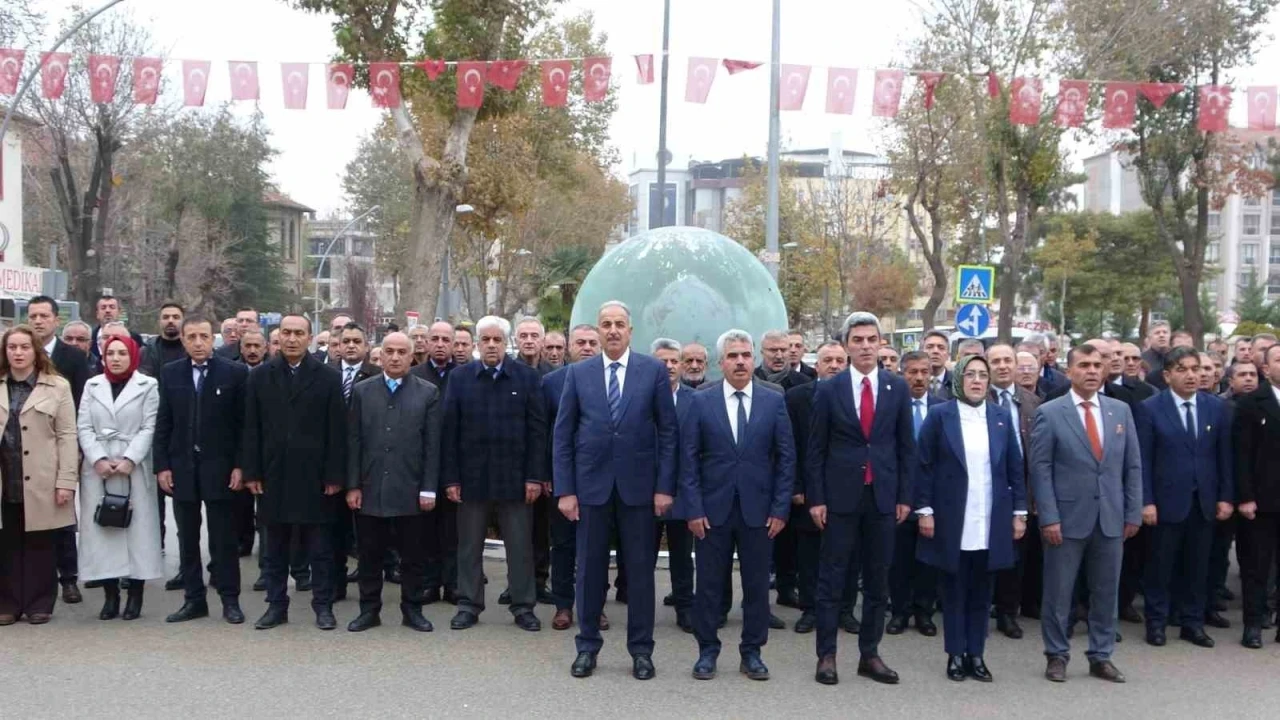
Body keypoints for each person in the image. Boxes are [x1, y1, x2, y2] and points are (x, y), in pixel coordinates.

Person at [554, 300, 678, 681]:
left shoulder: (652, 371)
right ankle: (587, 647)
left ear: (630, 331)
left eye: (619, 324)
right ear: (598, 330)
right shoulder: (579, 374)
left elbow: (668, 433)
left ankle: (641, 651)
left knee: (639, 574)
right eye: (605, 324)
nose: (612, 330)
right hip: (590, 489)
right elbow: (563, 434)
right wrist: (566, 490)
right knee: (589, 573)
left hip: (639, 490)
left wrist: (664, 487)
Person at [681, 329, 794, 682]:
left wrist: (780, 509)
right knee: (708, 586)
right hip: (711, 512)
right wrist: (694, 509)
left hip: (759, 512)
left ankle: (752, 653)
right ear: (721, 362)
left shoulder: (773, 400)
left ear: (754, 359)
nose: (741, 361)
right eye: (733, 356)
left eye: (746, 355)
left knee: (757, 587)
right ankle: (707, 652)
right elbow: (689, 459)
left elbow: (786, 459)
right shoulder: (701, 400)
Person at [808, 312, 914, 686]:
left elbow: (906, 447)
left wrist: (904, 496)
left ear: (881, 343)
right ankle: (827, 655)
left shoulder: (896, 388)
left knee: (877, 581)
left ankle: (870, 654)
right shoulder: (829, 389)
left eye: (872, 339)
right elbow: (816, 449)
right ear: (847, 345)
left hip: (882, 497)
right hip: (839, 498)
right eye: (858, 340)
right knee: (832, 579)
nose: (866, 346)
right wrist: (817, 498)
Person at [1030, 343, 1142, 683]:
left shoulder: (1120, 411)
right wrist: (1049, 516)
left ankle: (1101, 655)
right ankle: (1056, 654)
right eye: (1083, 365)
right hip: (1065, 519)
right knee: (1058, 592)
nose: (1092, 370)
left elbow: (1132, 465)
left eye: (1096, 365)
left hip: (1110, 517)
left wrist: (1132, 511)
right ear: (1069, 371)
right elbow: (1040, 469)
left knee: (1106, 592)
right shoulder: (1050, 413)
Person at [916, 354, 1027, 682]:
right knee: (954, 590)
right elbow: (923, 466)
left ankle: (976, 654)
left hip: (991, 517)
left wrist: (1019, 512)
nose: (977, 381)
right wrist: (925, 510)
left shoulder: (1000, 416)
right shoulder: (940, 415)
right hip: (952, 517)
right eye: (971, 375)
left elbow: (1015, 468)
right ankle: (955, 653)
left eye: (983, 375)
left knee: (982, 590)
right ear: (959, 379)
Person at [242, 315, 347, 631]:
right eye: (286, 333)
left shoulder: (328, 377)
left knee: (320, 549)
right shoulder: (260, 376)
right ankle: (276, 606)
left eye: (298, 333)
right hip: (273, 474)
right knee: (274, 549)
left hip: (315, 477)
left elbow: (337, 431)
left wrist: (335, 475)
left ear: (310, 338)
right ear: (277, 337)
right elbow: (251, 428)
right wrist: (252, 472)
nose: (291, 339)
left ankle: (323, 606)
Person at [442, 316, 546, 632]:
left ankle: (523, 606)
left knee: (520, 547)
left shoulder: (527, 378)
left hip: (515, 480)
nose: (491, 345)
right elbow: (449, 432)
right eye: (485, 340)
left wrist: (534, 477)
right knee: (469, 547)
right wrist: (451, 478)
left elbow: (537, 432)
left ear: (506, 343)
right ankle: (468, 605)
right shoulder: (460, 378)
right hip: (471, 480)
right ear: (477, 343)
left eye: (497, 340)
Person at [153, 318, 249, 625]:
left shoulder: (234, 373)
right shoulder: (171, 373)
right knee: (187, 538)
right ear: (182, 340)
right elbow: (164, 422)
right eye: (191, 336)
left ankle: (230, 600)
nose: (197, 342)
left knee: (223, 539)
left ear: (213, 339)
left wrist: (240, 465)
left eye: (203, 336)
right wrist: (162, 465)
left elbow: (243, 425)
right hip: (182, 467)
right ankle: (193, 600)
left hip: (221, 468)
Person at [1136, 347, 1234, 649]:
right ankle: (1156, 623)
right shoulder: (1150, 408)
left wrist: (1225, 497)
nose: (1192, 375)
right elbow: (1143, 460)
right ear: (1167, 376)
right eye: (1183, 369)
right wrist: (1146, 501)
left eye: (1196, 368)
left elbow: (1224, 457)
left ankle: (1193, 624)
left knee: (1198, 567)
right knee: (1160, 566)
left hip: (1204, 501)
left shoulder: (1215, 407)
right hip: (1165, 502)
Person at [345, 332, 439, 633]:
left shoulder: (427, 392)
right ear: (380, 355)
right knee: (369, 556)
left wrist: (428, 488)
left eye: (402, 352)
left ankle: (412, 610)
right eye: (389, 351)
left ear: (412, 356)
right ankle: (368, 611)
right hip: (370, 488)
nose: (395, 357)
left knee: (413, 557)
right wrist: (353, 485)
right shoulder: (362, 391)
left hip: (410, 489)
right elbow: (354, 441)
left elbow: (432, 445)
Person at [76, 335, 162, 621]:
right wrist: (98, 458)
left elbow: (150, 426)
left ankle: (135, 593)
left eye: (122, 353)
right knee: (103, 531)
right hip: (98, 469)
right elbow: (84, 426)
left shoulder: (148, 385)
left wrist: (130, 458)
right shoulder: (92, 385)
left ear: (133, 356)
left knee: (138, 531)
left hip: (134, 466)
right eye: (110, 353)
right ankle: (110, 594)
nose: (115, 358)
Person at [0, 326, 78, 625]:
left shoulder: (57, 386)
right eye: (12, 347)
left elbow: (67, 436)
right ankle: (7, 603)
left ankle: (39, 603)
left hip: (42, 476)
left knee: (40, 543)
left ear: (36, 351)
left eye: (24, 347)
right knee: (6, 541)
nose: (18, 353)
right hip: (6, 475)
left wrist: (66, 481)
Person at [26, 296, 90, 605]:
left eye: (44, 316)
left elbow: (81, 403)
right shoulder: (18, 352)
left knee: (62, 512)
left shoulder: (73, 357)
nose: (38, 321)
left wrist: (76, 451)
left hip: (61, 444)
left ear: (55, 320)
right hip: (26, 448)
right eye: (33, 316)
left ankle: (68, 578)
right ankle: (34, 579)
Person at [545, 324, 608, 632]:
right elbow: (546, 435)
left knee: (597, 547)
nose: (586, 348)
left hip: (602, 480)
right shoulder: (551, 383)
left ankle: (595, 608)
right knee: (563, 545)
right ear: (569, 347)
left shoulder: (612, 381)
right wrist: (549, 477)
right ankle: (563, 605)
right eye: (580, 342)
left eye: (592, 343)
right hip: (564, 479)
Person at [785, 341, 850, 635]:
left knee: (847, 553)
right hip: (809, 489)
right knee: (809, 554)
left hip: (848, 489)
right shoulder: (797, 397)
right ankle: (810, 609)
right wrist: (797, 485)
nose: (834, 365)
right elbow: (790, 445)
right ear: (817, 365)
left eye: (839, 360)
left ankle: (844, 610)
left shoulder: (858, 395)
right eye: (828, 360)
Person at [987, 343, 1042, 638]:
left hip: (1022, 486)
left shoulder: (1033, 402)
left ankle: (1008, 612)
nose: (1003, 366)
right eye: (995, 361)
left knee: (1016, 553)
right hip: (987, 485)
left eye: (1007, 360)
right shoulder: (975, 397)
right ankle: (981, 607)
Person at [886, 351, 941, 638]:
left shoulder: (942, 408)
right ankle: (899, 611)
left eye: (924, 372)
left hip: (933, 496)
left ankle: (924, 612)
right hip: (899, 495)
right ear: (902, 373)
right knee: (899, 559)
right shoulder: (891, 406)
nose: (919, 378)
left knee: (928, 559)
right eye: (912, 372)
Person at [1232, 344, 1280, 648]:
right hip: (1262, 500)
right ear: (1266, 368)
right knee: (1256, 567)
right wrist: (1245, 496)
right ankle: (1253, 625)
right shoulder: (1251, 403)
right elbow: (1242, 454)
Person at [331, 322, 381, 600]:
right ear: (338, 345)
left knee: (367, 530)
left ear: (366, 346)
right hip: (334, 462)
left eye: (356, 341)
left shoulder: (377, 375)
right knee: (334, 528)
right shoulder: (326, 374)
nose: (351, 345)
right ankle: (335, 582)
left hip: (367, 463)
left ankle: (369, 581)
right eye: (346, 341)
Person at [410, 320, 459, 604]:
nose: (440, 344)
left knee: (453, 530)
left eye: (445, 339)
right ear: (426, 342)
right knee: (424, 530)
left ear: (453, 344)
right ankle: (429, 583)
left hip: (454, 463)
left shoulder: (463, 375)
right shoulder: (414, 375)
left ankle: (452, 584)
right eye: (435, 339)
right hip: (421, 463)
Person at [652, 338, 695, 631]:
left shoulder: (696, 399)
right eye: (662, 361)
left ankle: (685, 607)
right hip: (647, 489)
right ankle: (640, 608)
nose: (668, 366)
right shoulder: (641, 397)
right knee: (643, 555)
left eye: (673, 361)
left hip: (683, 489)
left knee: (682, 555)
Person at [89, 295, 144, 361]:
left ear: (119, 312)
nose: (107, 310)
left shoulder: (135, 338)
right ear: (97, 314)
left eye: (112, 307)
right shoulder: (88, 338)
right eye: (103, 308)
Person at [1142, 321, 1173, 391]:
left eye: (1165, 332)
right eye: (1157, 333)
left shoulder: (1177, 358)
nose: (1161, 335)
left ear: (1170, 335)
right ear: (1149, 338)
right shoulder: (1142, 359)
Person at [922, 330, 952, 398]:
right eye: (929, 347)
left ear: (948, 355)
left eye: (941, 348)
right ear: (921, 352)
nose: (935, 351)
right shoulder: (911, 383)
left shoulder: (959, 383)